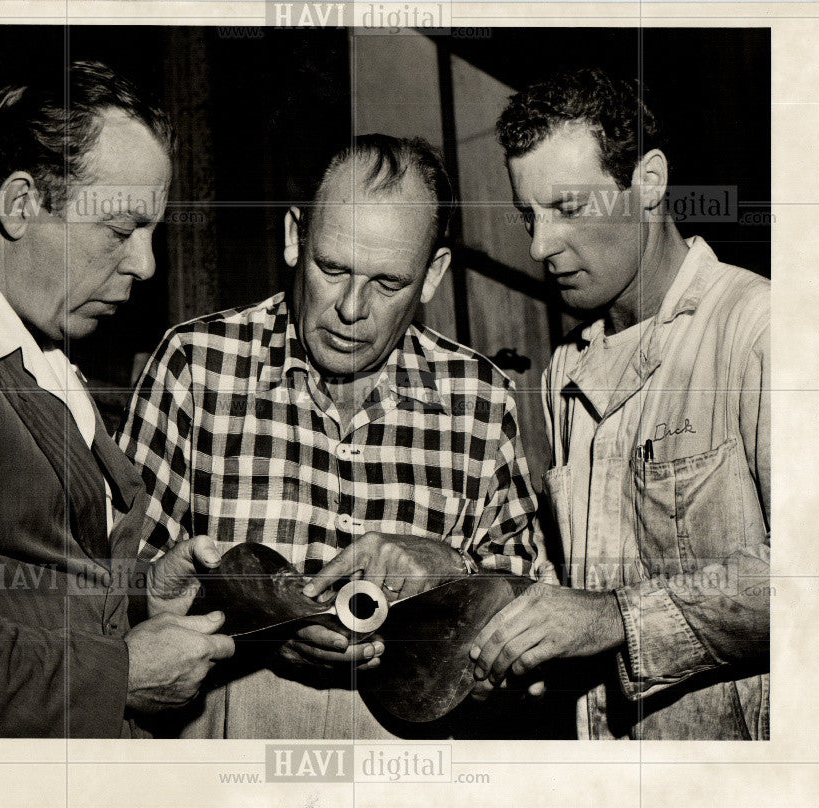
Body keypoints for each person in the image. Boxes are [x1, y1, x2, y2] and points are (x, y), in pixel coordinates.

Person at [119, 134, 547, 738]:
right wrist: (255, 630)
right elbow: (110, 594)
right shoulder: (196, 366)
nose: (351, 309)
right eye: (332, 268)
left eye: (388, 283)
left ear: (433, 276)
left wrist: (452, 567)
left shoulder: (481, 399)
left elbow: (531, 610)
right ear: (295, 237)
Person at [0, 61, 234, 738]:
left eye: (152, 232)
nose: (146, 264)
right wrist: (119, 677)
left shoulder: (38, 342)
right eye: (120, 230)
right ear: (22, 205)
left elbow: (24, 566)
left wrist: (143, 588)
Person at [471, 67, 770, 740]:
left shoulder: (758, 328)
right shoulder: (566, 374)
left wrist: (616, 618)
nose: (539, 245)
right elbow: (568, 588)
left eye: (569, 209)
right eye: (529, 215)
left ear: (651, 181)